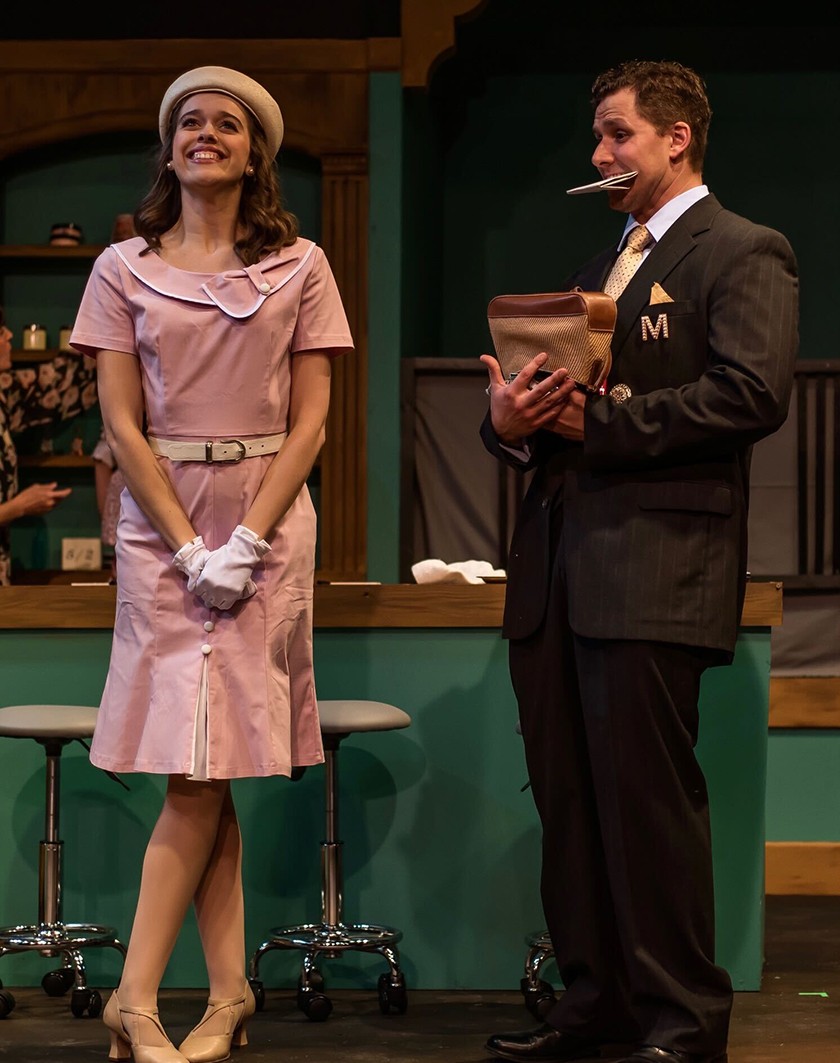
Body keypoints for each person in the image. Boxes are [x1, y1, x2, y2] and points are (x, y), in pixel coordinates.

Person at [479, 60, 798, 1063]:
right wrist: (511, 424)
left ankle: (682, 1022)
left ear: (677, 137)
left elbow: (752, 394)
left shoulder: (741, 250)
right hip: (561, 572)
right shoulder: (607, 260)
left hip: (653, 572)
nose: (599, 154)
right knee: (572, 804)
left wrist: (603, 421)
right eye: (598, 137)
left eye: (617, 135)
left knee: (645, 810)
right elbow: (554, 415)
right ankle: (597, 1004)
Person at [69, 65, 353, 1063]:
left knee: (210, 764)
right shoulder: (121, 267)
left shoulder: (301, 265)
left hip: (267, 521)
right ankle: (166, 1000)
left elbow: (313, 422)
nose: (205, 133)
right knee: (198, 768)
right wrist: (191, 545)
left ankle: (172, 997)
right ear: (169, 145)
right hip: (159, 524)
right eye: (189, 120)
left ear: (254, 151)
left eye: (226, 123)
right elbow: (119, 422)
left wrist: (244, 541)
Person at [0, 307, 97, 585]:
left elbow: (60, 383)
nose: (9, 335)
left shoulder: (3, 396)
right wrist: (18, 507)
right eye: (0, 331)